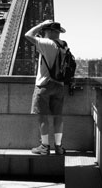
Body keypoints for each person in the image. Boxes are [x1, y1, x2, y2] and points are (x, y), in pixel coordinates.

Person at [25, 20, 66, 155]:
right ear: (59, 33)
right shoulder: (64, 45)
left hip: (45, 85)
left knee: (43, 116)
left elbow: (28, 35)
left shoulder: (47, 43)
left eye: (45, 30)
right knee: (58, 116)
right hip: (60, 85)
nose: (44, 32)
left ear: (50, 31)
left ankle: (45, 146)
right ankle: (59, 147)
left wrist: (41, 24)